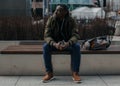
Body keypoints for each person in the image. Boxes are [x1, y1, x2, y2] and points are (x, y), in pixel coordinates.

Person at [42, 4, 81, 83]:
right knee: (46, 47)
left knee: (76, 47)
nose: (56, 12)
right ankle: (49, 73)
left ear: (65, 12)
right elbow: (47, 36)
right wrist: (54, 44)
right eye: (56, 10)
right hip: (55, 44)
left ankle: (75, 73)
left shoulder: (71, 20)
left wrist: (68, 43)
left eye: (59, 10)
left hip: (67, 44)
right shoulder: (51, 20)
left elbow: (75, 35)